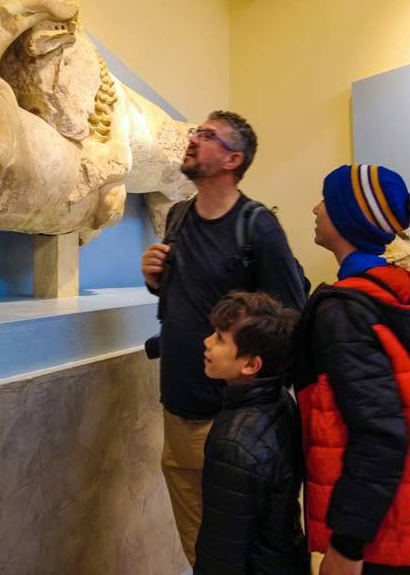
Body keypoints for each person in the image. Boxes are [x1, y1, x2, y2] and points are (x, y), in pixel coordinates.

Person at [140, 110, 307, 566]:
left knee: (246, 553)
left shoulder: (257, 227)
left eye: (207, 135)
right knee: (202, 554)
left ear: (233, 159)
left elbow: (289, 317)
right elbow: (187, 298)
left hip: (231, 423)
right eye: (196, 130)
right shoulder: (177, 216)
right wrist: (155, 278)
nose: (193, 139)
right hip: (176, 410)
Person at [293, 165, 410, 575]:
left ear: (349, 218)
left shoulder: (347, 307)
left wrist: (347, 547)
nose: (316, 208)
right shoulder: (404, 290)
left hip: (380, 531)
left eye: (327, 202)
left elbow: (381, 432)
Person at [194, 292, 309, 575]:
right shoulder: (280, 398)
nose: (207, 342)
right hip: (285, 556)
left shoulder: (233, 442)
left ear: (250, 365)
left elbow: (222, 548)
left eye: (220, 338)